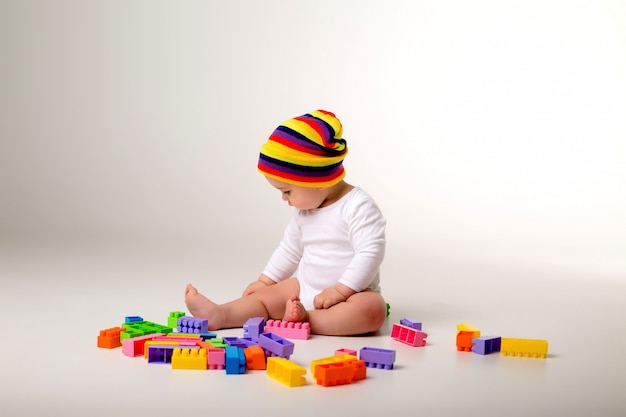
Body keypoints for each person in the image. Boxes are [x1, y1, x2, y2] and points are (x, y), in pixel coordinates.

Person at [184, 110, 387, 336]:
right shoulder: (305, 210)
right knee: (267, 297)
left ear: (318, 180)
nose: (284, 199)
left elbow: (370, 252)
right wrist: (265, 281)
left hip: (353, 293)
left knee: (372, 311)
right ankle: (221, 314)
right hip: (305, 288)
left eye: (287, 191)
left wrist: (341, 290)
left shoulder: (357, 206)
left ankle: (307, 319)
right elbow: (290, 250)